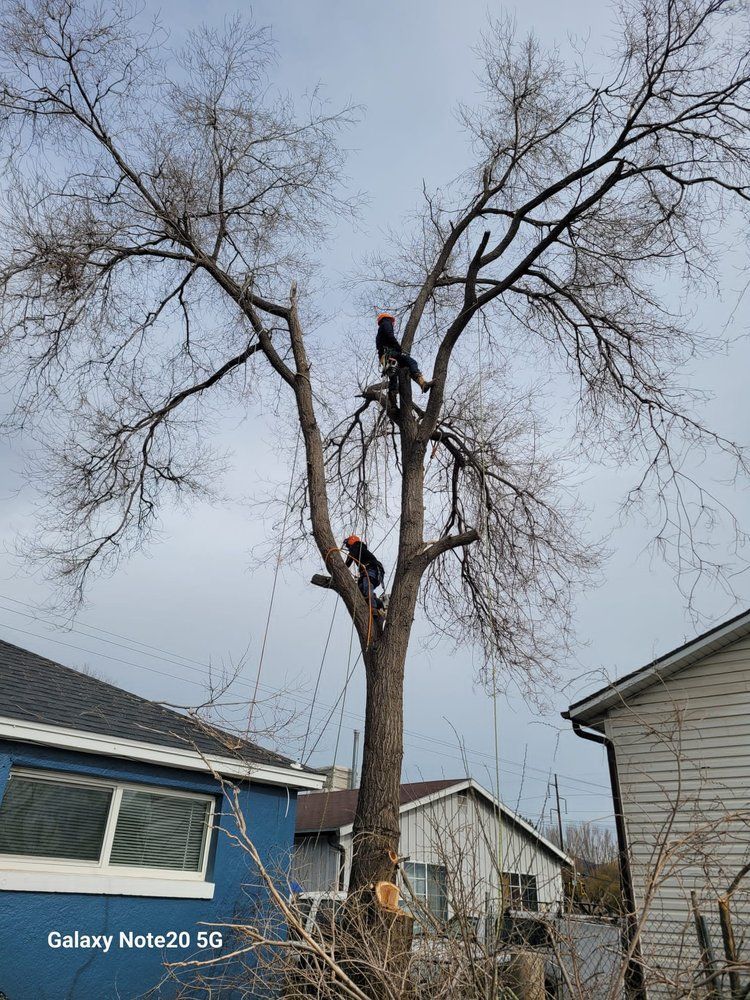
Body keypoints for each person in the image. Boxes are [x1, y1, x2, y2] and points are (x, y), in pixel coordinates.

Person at [375, 312, 433, 392]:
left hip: (384, 358)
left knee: (394, 374)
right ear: (389, 319)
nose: (393, 323)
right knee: (411, 362)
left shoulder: (379, 332)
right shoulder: (386, 322)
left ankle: (392, 395)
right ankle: (421, 382)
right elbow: (390, 335)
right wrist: (398, 348)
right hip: (390, 354)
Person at [343, 534, 386, 615]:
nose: (347, 547)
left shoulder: (357, 546)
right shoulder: (358, 549)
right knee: (360, 591)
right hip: (373, 572)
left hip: (372, 569)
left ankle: (373, 608)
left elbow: (348, 560)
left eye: (348, 544)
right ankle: (379, 604)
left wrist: (343, 567)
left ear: (352, 540)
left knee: (367, 586)